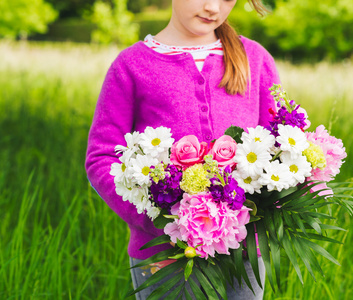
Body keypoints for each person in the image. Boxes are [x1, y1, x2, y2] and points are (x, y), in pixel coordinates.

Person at [85, 0, 280, 298]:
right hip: (164, 255)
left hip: (243, 254)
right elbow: (102, 158)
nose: (213, 8)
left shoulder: (255, 59)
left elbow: (279, 146)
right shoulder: (131, 66)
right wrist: (160, 224)